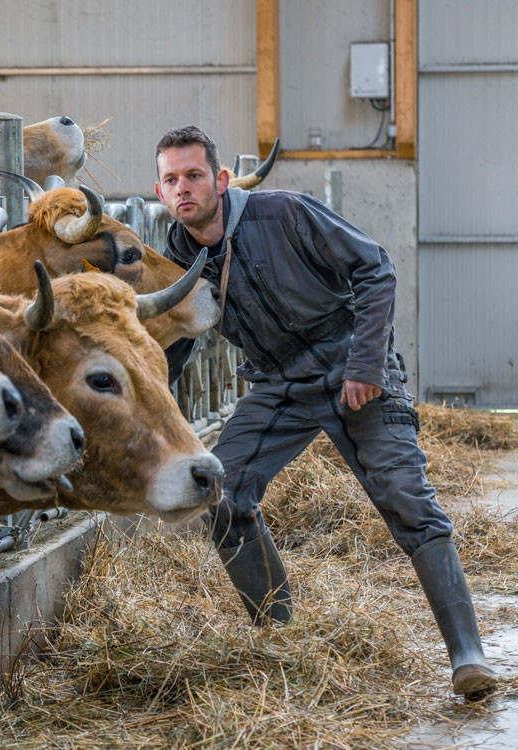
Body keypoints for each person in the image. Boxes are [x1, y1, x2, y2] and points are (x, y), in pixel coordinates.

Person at [154, 125, 497, 698]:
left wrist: (365, 364)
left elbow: (377, 268)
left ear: (219, 179)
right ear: (159, 191)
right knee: (220, 490)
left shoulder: (283, 212)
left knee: (406, 496)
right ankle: (285, 640)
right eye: (171, 179)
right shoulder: (178, 255)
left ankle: (467, 656)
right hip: (278, 383)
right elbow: (177, 340)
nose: (183, 188)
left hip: (350, 367)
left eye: (193, 175)